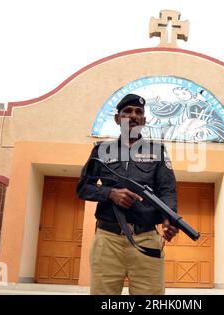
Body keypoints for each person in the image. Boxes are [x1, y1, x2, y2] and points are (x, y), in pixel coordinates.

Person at [76, 93, 179, 295]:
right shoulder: (101, 150)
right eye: (127, 111)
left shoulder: (157, 151)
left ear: (144, 121)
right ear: (117, 119)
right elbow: (83, 188)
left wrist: (169, 217)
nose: (133, 116)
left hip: (146, 238)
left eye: (138, 112)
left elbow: (167, 190)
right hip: (108, 240)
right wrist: (110, 193)